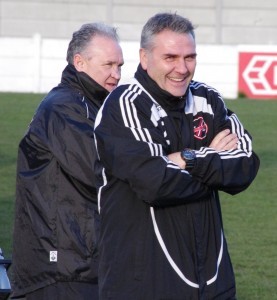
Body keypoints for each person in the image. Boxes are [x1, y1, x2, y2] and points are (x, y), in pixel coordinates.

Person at [93, 13, 260, 300]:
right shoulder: (125, 105)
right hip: (143, 283)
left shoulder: (208, 99)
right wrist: (212, 160)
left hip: (213, 282)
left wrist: (186, 159)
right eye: (170, 57)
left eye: (190, 57)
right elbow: (154, 182)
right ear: (144, 58)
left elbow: (245, 165)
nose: (182, 68)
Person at [11, 22, 124, 300]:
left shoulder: (94, 106)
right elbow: (103, 170)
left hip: (79, 264)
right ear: (79, 62)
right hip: (61, 269)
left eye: (120, 65)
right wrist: (172, 160)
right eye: (108, 65)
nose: (116, 74)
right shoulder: (64, 107)